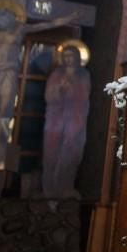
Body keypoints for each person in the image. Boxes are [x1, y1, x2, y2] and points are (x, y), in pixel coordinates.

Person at [42, 44, 91, 198]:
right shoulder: (56, 74)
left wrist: (72, 90)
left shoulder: (83, 75)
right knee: (51, 151)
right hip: (56, 118)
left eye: (72, 56)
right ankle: (49, 189)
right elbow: (49, 96)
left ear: (77, 57)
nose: (69, 59)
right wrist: (59, 89)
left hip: (75, 118)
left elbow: (84, 96)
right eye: (66, 56)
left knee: (71, 151)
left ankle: (65, 187)